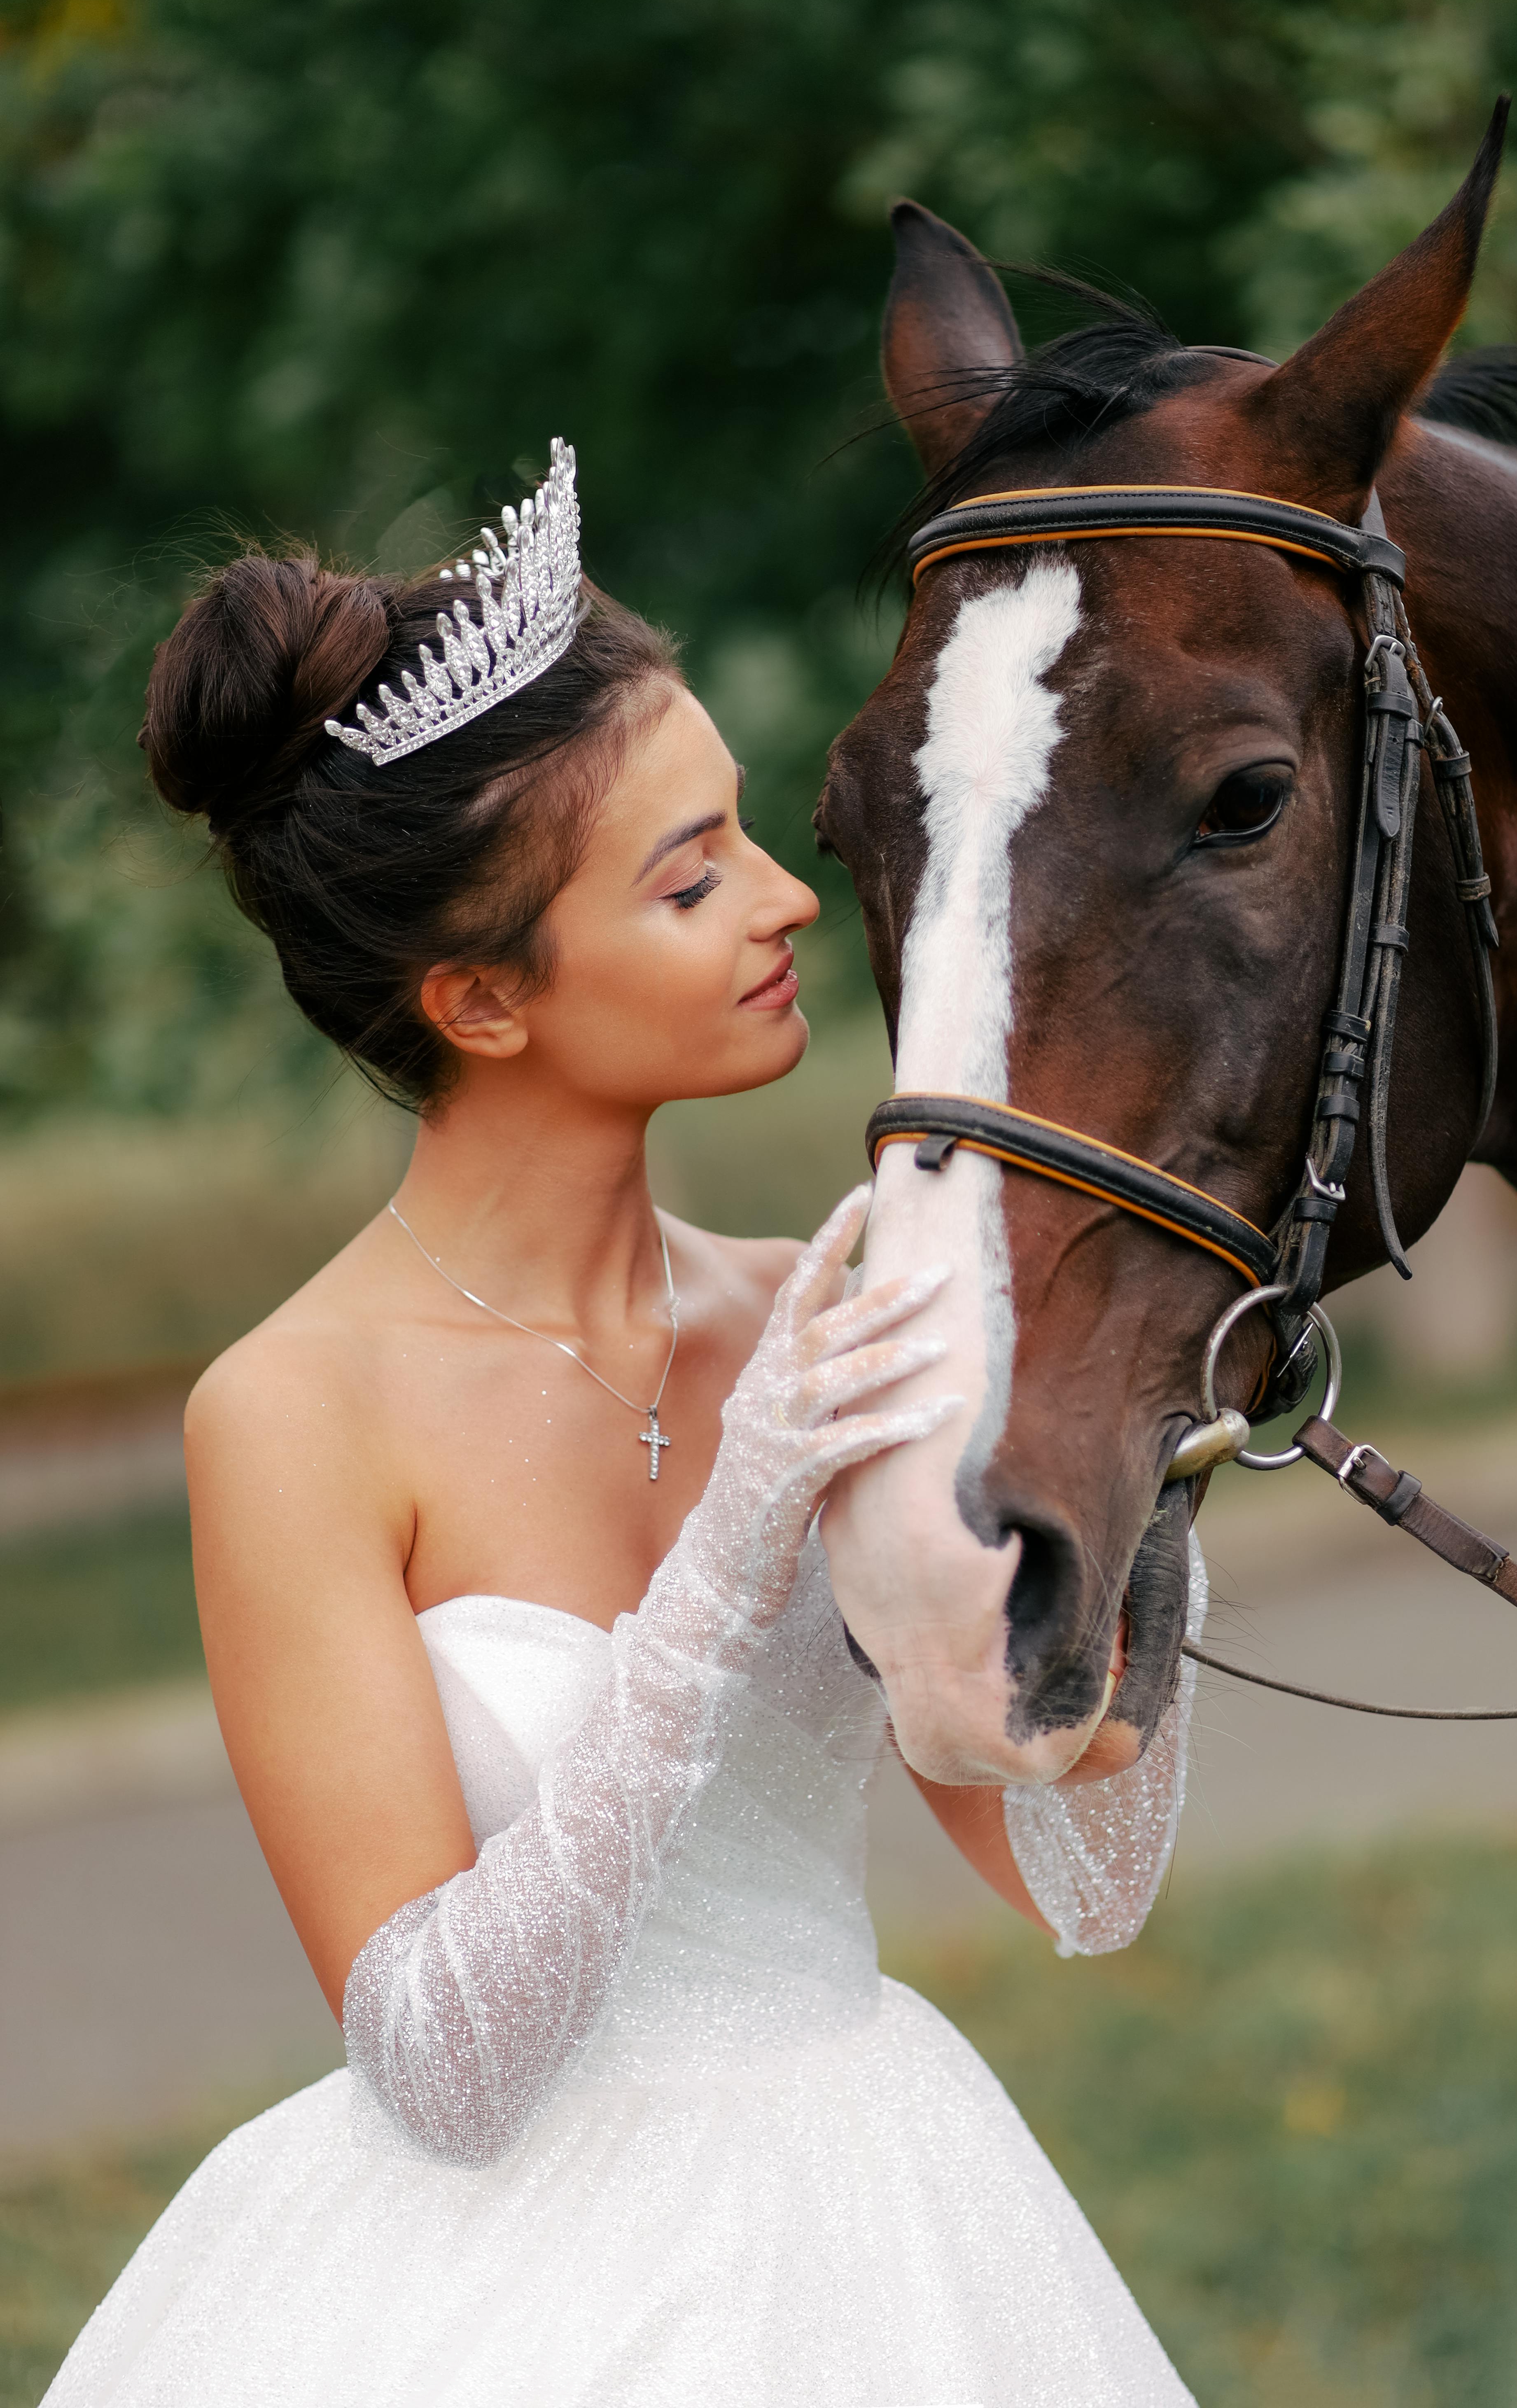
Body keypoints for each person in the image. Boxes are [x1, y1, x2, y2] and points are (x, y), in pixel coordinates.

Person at [45, 446, 1201, 2406]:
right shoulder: (294, 1410)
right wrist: (734, 1537)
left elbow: (1080, 1879)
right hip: (486, 2303)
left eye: (744, 831)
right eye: (687, 879)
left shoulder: (818, 1318)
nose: (779, 899)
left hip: (882, 2237)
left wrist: (1143, 1455)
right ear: (483, 999)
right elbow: (442, 2065)